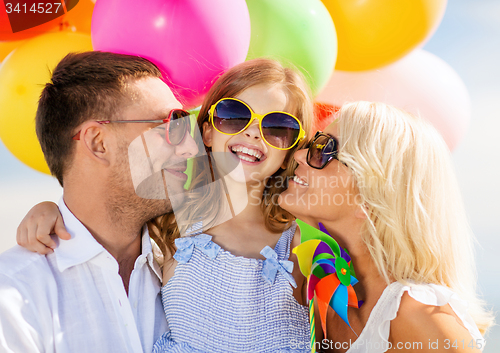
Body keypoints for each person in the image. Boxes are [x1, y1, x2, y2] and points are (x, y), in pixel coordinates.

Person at [16, 58, 314, 352]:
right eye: (235, 115)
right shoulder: (172, 223)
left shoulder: (299, 243)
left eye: (277, 127)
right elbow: (109, 209)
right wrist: (50, 209)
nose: (252, 132)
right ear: (207, 132)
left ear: (291, 152)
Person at [0, 51, 199, 352]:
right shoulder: (12, 298)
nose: (191, 147)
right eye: (171, 125)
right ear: (98, 143)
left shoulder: (195, 270)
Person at [279, 101, 494, 352]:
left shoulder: (417, 314)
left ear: (370, 197)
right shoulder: (321, 292)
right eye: (313, 143)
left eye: (324, 149)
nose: (298, 156)